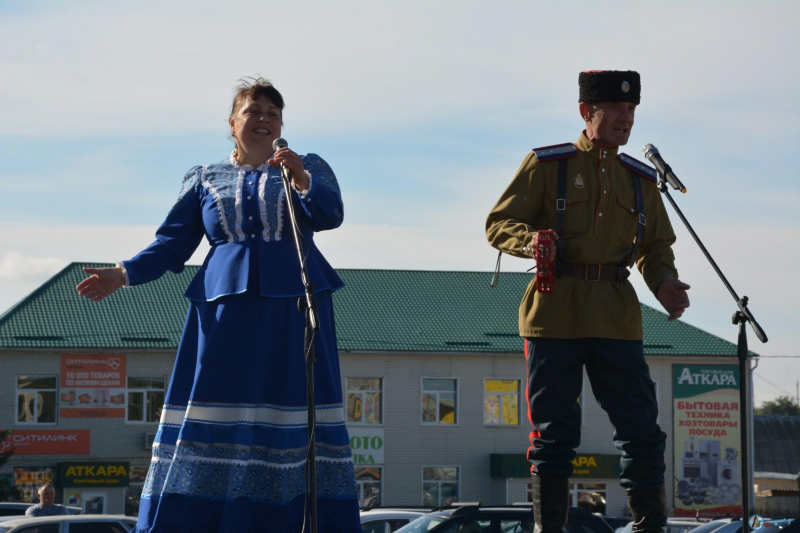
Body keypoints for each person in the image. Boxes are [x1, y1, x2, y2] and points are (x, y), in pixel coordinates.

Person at [76, 78, 361, 532]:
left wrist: (302, 179)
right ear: (233, 123)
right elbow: (171, 245)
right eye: (254, 111)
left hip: (294, 310)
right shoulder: (205, 178)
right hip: (223, 312)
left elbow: (329, 215)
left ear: (281, 125)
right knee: (212, 407)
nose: (264, 119)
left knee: (290, 405)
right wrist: (123, 273)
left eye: (273, 113)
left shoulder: (306, 168)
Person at [486, 70, 690, 533]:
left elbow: (655, 248)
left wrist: (665, 284)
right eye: (616, 110)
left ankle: (648, 526)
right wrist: (531, 239)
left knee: (642, 432)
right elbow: (499, 222)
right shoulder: (547, 165)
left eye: (632, 110)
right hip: (553, 314)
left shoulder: (639, 179)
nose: (626, 118)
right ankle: (548, 529)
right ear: (586, 112)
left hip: (616, 317)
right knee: (554, 437)